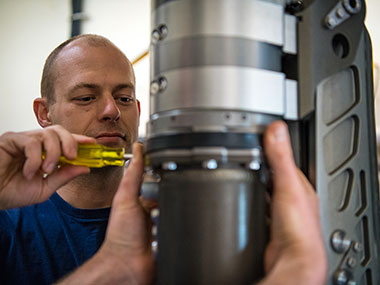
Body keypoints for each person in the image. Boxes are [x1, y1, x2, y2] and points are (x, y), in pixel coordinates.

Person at [0, 34, 326, 284]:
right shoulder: (9, 219)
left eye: (124, 98)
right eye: (86, 98)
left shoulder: (182, 212)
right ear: (44, 113)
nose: (112, 110)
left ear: (138, 110)